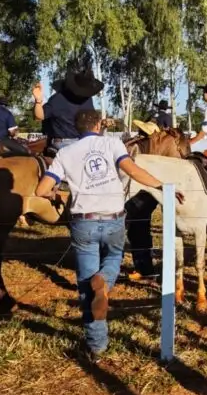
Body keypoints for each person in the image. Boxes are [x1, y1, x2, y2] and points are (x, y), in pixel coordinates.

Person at [34, 108, 167, 362]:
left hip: (84, 223)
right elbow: (133, 171)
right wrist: (161, 185)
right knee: (114, 258)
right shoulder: (112, 143)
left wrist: (52, 195)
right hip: (114, 218)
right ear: (98, 125)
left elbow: (42, 189)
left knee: (85, 283)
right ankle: (104, 283)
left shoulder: (64, 153)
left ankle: (96, 346)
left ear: (77, 128)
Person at [34, 68, 104, 156]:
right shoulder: (58, 99)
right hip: (63, 143)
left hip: (85, 141)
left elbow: (92, 122)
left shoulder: (88, 100)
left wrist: (103, 124)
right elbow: (39, 116)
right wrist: (38, 101)